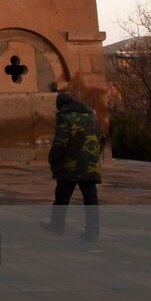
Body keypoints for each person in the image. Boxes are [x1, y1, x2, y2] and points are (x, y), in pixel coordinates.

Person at [41, 92, 104, 239]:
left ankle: (57, 225)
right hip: (90, 165)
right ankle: (92, 231)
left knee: (62, 197)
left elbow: (60, 143)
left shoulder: (65, 117)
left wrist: (53, 159)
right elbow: (101, 140)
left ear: (62, 106)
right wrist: (92, 157)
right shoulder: (93, 117)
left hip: (70, 166)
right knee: (91, 199)